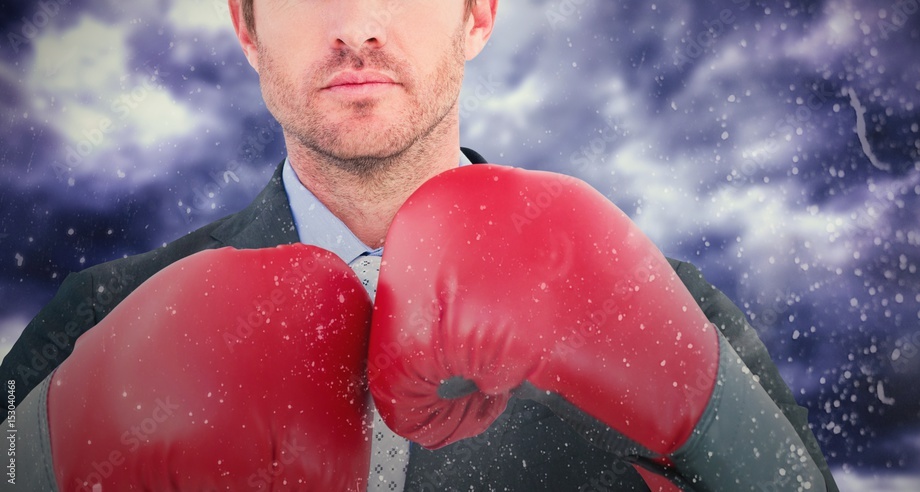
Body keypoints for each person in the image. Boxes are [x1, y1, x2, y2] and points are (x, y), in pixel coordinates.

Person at [1, 0, 839, 490]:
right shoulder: (102, 311)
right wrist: (38, 458)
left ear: (476, 13)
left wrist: (716, 431)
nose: (358, 24)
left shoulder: (660, 306)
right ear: (246, 27)